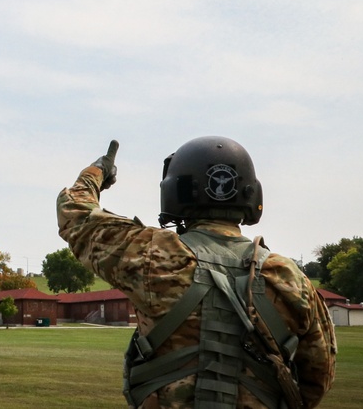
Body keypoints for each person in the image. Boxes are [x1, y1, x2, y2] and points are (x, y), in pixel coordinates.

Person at [57, 137, 336, 408]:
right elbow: (317, 379)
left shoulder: (152, 254)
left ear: (174, 192)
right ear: (251, 194)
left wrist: (96, 173)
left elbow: (75, 213)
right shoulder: (290, 277)